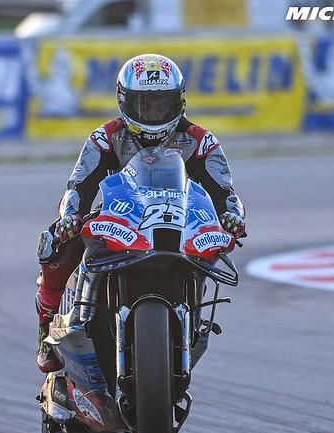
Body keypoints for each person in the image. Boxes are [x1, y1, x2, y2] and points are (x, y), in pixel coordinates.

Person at [34, 53, 246, 373]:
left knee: (214, 248)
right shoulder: (105, 137)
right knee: (55, 245)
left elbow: (225, 193)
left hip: (180, 223)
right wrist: (70, 218)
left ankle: (190, 319)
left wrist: (232, 218)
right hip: (121, 221)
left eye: (163, 105)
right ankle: (45, 327)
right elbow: (78, 186)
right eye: (145, 105)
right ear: (126, 103)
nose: (154, 113)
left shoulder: (202, 142)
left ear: (178, 103)